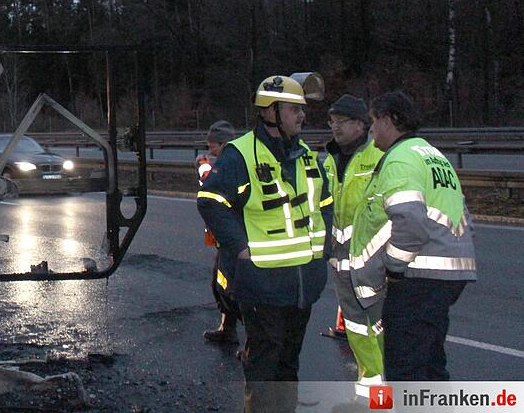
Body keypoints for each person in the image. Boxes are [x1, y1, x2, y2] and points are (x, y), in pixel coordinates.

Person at [197, 75, 333, 413]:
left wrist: (324, 245)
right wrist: (239, 247)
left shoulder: (304, 155)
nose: (302, 116)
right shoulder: (240, 154)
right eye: (293, 109)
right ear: (271, 112)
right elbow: (210, 199)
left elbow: (326, 202)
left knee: (288, 364)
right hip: (262, 284)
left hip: (303, 283)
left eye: (302, 109)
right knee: (264, 367)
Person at [349, 91, 476, 381]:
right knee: (430, 363)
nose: (370, 129)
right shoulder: (433, 155)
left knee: (407, 367)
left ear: (389, 120)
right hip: (449, 273)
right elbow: (462, 213)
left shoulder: (400, 159)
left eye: (373, 121)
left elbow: (409, 221)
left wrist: (394, 266)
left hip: (419, 277)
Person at [323, 95, 385, 399]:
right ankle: (370, 391)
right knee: (357, 331)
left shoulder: (378, 156)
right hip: (342, 263)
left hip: (376, 262)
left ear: (361, 124)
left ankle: (384, 394)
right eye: (331, 120)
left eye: (341, 120)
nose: (335, 126)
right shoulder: (329, 160)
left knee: (380, 330)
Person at [199, 119, 241, 344]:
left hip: (232, 237)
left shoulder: (230, 164)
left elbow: (213, 192)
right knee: (221, 283)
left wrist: (204, 169)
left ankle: (238, 333)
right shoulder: (224, 163)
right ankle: (227, 327)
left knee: (228, 286)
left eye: (212, 145)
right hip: (224, 237)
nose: (210, 150)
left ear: (223, 143)